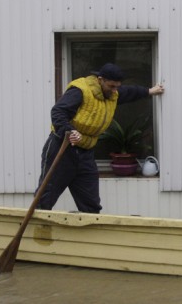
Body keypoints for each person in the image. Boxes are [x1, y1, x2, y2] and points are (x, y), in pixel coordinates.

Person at [36, 63, 165, 213]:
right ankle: (38, 230)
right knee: (46, 195)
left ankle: (90, 232)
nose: (115, 90)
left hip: (85, 152)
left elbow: (129, 92)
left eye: (117, 86)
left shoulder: (112, 94)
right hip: (62, 147)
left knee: (91, 203)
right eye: (111, 86)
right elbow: (58, 112)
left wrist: (150, 91)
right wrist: (70, 131)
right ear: (100, 79)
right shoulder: (80, 90)